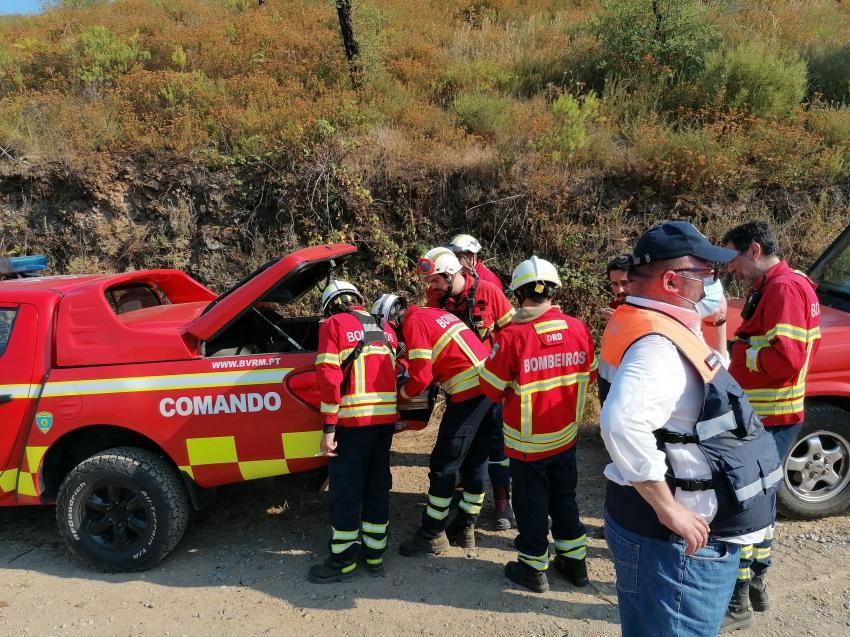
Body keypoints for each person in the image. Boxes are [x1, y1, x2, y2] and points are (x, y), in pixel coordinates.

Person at [598, 221, 782, 637]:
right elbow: (621, 423)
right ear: (671, 282)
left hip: (668, 541)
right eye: (705, 274)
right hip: (677, 545)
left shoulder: (651, 321)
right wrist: (668, 508)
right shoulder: (657, 344)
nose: (713, 282)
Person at [719, 221, 822, 632]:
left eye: (736, 259)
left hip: (769, 415)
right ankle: (758, 582)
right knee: (762, 503)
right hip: (773, 415)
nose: (733, 269)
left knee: (746, 507)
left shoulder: (782, 290)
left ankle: (738, 600)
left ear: (755, 249)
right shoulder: (784, 283)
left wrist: (737, 353)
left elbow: (787, 360)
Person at [480, 256, 597, 593]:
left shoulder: (513, 336)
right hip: (566, 437)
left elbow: (489, 388)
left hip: (528, 444)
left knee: (531, 505)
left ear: (518, 294)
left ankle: (533, 568)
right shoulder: (579, 328)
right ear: (554, 291)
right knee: (565, 498)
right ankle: (575, 564)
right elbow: (589, 374)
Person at [370, 294, 498, 554]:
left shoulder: (413, 323)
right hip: (491, 391)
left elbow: (421, 377)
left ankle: (432, 534)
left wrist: (398, 398)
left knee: (444, 465)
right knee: (476, 461)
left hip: (468, 395)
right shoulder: (430, 313)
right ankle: (465, 526)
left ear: (391, 321)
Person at [308, 280, 400, 583]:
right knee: (377, 486)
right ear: (358, 299)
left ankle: (343, 562)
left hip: (352, 424)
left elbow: (329, 378)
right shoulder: (386, 330)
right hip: (384, 423)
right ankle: (374, 555)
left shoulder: (333, 325)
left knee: (346, 492)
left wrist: (329, 427)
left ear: (330, 306)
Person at [420, 246, 517, 529]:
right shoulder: (437, 298)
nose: (431, 286)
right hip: (460, 387)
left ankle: (502, 502)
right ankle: (458, 499)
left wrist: (509, 376)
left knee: (495, 447)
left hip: (494, 384)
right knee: (465, 450)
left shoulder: (488, 292)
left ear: (451, 274)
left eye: (435, 279)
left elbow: (511, 334)